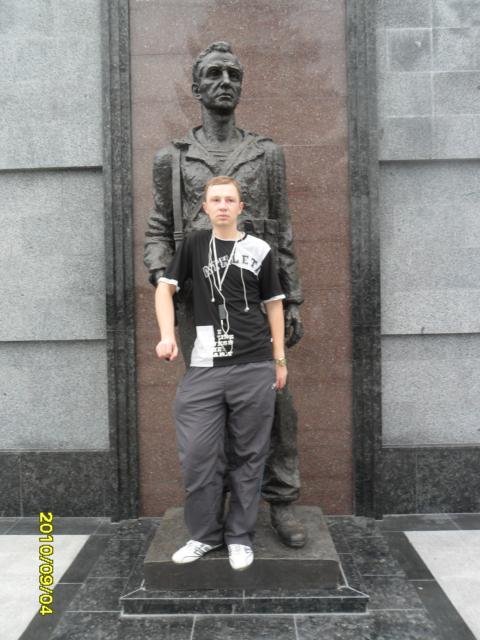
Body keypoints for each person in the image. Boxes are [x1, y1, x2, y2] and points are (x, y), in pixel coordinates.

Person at [144, 41, 306, 547]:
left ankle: (282, 501)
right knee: (209, 410)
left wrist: (292, 300)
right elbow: (157, 229)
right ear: (196, 87)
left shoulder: (266, 153)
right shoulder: (172, 158)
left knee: (276, 403)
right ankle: (213, 509)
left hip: (256, 300)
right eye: (213, 74)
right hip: (200, 307)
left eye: (233, 75)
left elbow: (281, 231)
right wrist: (165, 277)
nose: (224, 82)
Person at [155, 176, 287, 570]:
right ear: (205, 207)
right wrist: (167, 336)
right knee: (198, 455)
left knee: (250, 456)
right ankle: (204, 535)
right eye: (216, 200)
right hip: (205, 368)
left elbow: (274, 305)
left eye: (230, 199)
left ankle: (240, 537)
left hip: (254, 365)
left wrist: (279, 360)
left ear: (241, 207)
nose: (223, 205)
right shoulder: (194, 245)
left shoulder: (260, 249)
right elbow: (164, 289)